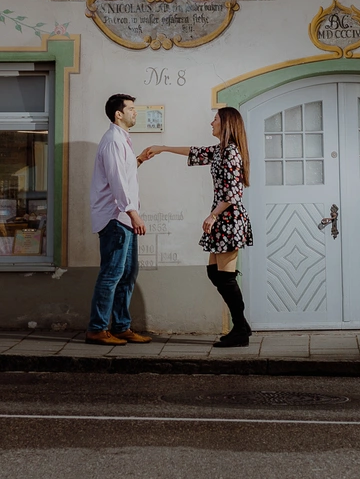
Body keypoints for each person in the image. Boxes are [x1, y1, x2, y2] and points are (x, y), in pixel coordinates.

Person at [140, 106, 254, 347]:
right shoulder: (221, 151)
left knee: (225, 277)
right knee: (216, 273)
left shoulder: (231, 152)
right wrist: (163, 149)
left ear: (226, 124)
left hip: (229, 220)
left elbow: (234, 192)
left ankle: (240, 329)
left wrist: (212, 216)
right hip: (223, 219)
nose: (211, 123)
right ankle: (242, 325)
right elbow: (195, 151)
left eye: (215, 120)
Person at [87, 92, 151, 345]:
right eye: (132, 108)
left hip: (123, 217)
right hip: (116, 217)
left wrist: (138, 160)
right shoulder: (113, 140)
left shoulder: (122, 140)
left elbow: (121, 173)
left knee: (127, 273)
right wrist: (133, 213)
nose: (136, 112)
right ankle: (97, 328)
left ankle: (122, 326)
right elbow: (116, 182)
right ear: (119, 114)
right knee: (112, 274)